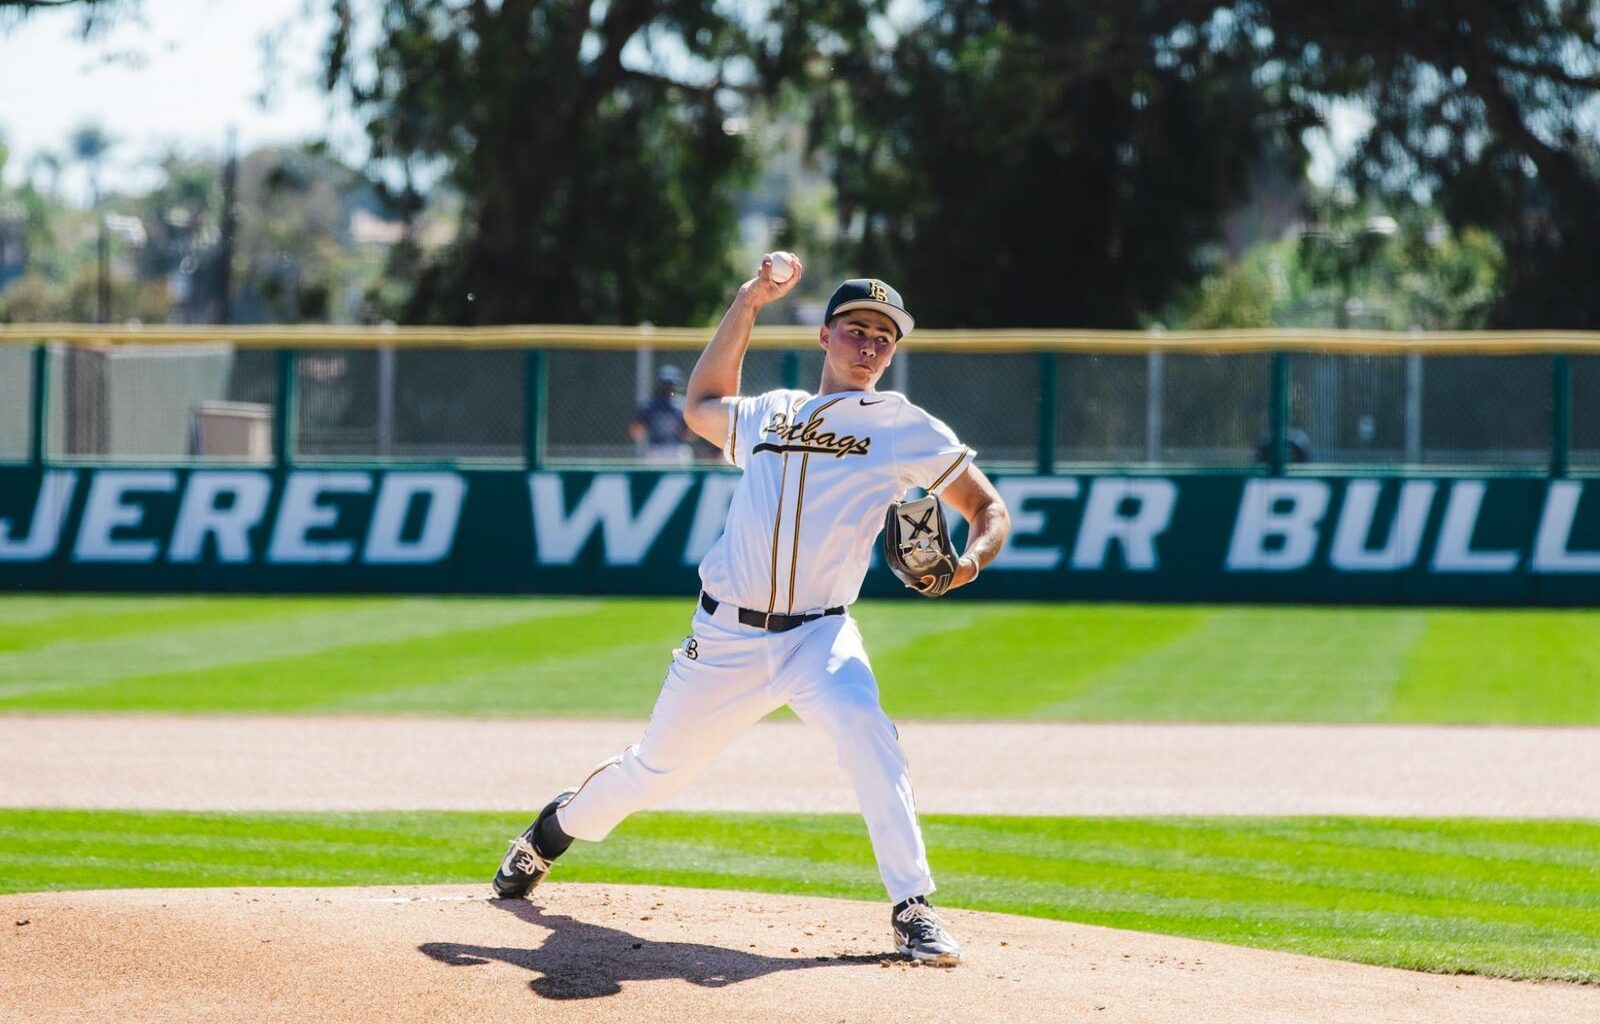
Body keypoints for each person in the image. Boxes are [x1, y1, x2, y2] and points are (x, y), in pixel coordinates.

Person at [493, 254, 1012, 967]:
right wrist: (748, 302)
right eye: (856, 330)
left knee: (866, 729)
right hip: (725, 637)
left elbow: (988, 507)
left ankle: (913, 906)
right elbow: (701, 404)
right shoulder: (773, 411)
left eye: (883, 338)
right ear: (824, 336)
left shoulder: (903, 427)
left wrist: (968, 564)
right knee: (653, 773)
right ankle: (551, 832)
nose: (868, 346)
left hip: (821, 636)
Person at [629, 365, 694, 464]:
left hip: (656, 450)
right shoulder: (683, 405)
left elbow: (637, 432)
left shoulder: (649, 406)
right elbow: (689, 435)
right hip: (677, 450)